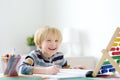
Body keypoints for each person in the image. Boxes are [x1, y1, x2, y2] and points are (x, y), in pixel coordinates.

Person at [20, 25, 86, 75]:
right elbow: (22, 69)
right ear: (39, 43)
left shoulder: (60, 56)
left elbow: (65, 70)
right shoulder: (34, 55)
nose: (53, 44)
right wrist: (46, 71)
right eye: (49, 40)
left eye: (56, 40)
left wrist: (76, 69)